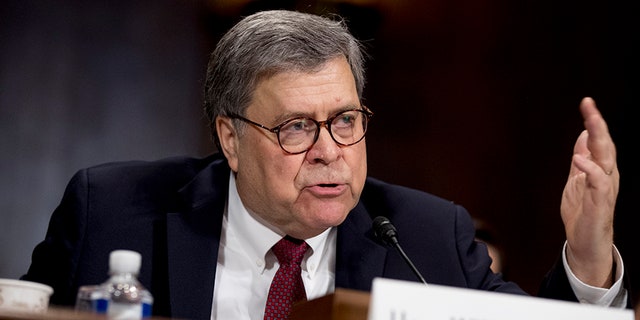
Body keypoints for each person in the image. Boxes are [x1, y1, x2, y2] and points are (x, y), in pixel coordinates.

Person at [21, 9, 630, 320]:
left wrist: (588, 254)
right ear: (230, 139)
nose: (329, 149)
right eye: (294, 127)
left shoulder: (426, 236)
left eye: (344, 120)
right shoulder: (112, 211)